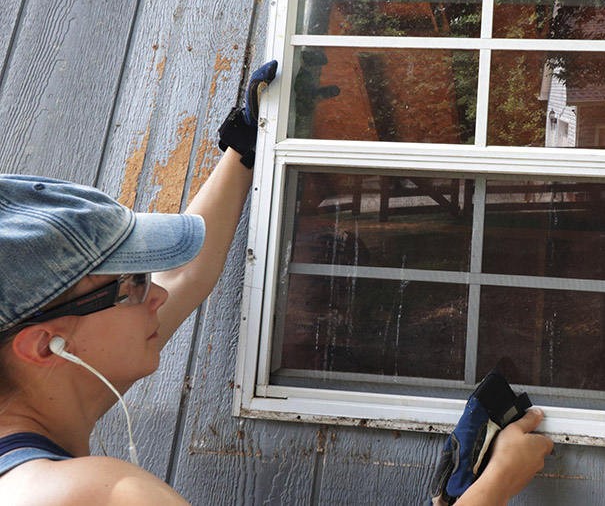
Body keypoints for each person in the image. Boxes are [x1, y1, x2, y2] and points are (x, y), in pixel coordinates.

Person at [0, 77, 551, 504]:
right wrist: (497, 482)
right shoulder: (99, 495)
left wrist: (243, 149)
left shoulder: (40, 417)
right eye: (131, 284)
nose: (157, 297)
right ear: (45, 345)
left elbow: (181, 275)